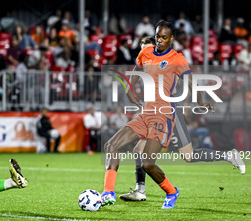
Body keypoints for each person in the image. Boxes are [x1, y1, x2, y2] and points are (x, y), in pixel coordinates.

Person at [119, 36, 246, 202]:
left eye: (148, 48)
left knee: (189, 156)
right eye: (142, 49)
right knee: (138, 150)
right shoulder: (146, 66)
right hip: (152, 113)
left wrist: (198, 101)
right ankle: (140, 190)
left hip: (169, 114)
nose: (145, 53)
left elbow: (187, 80)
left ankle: (229, 156)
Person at [101, 21, 205, 209]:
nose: (159, 40)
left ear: (172, 39)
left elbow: (191, 82)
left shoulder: (177, 58)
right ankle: (108, 193)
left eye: (164, 37)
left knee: (148, 164)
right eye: (157, 36)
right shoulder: (146, 53)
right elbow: (136, 70)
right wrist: (129, 90)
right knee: (111, 145)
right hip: (145, 113)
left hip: (163, 116)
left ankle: (172, 191)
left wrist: (201, 101)